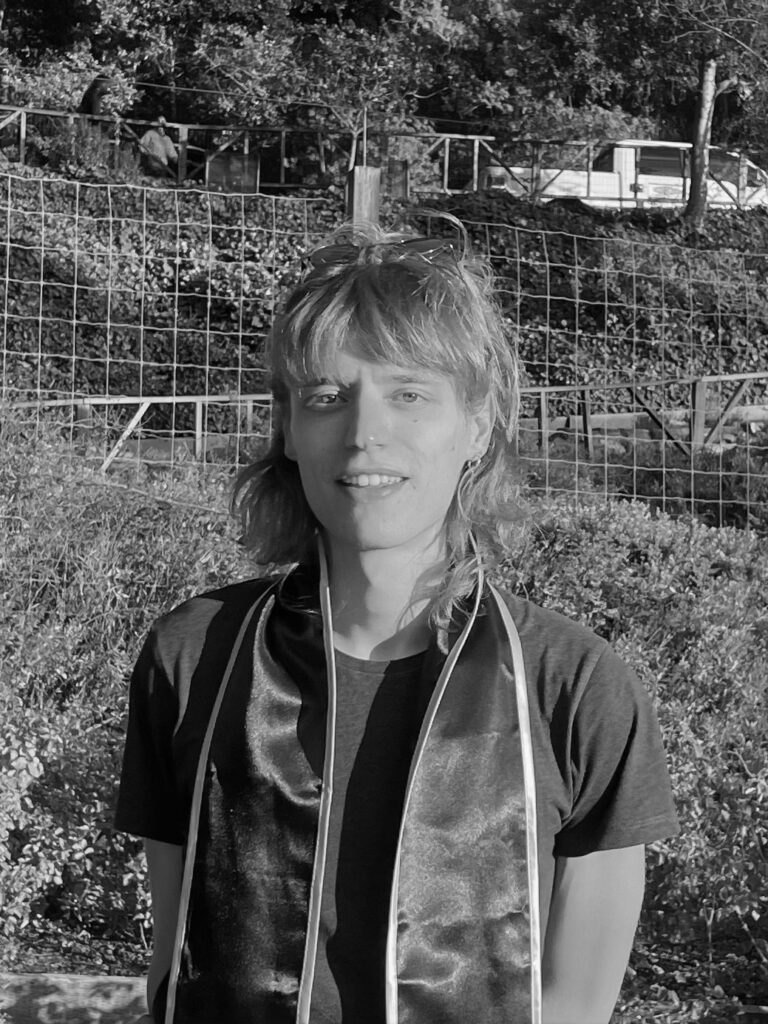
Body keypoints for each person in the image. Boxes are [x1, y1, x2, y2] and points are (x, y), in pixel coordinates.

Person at [115, 224, 680, 1024]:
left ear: (478, 424)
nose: (363, 433)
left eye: (409, 393)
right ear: (288, 428)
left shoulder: (575, 687)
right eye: (326, 396)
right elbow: (178, 969)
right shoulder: (191, 656)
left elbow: (576, 1006)